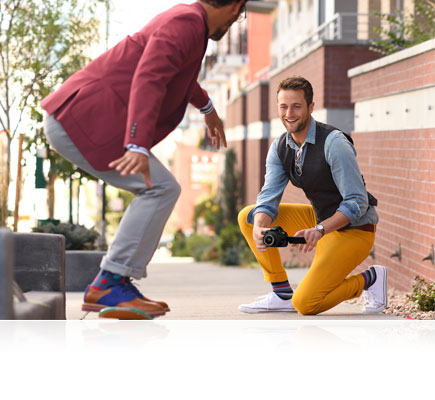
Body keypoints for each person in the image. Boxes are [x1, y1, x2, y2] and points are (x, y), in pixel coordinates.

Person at [41, 0, 253, 319]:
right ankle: (110, 282)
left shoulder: (189, 22)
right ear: (236, 7)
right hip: (84, 119)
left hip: (86, 117)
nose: (236, 21)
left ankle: (115, 282)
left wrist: (207, 107)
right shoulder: (186, 23)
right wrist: (137, 144)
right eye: (241, 15)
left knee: (162, 188)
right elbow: (150, 76)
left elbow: (176, 74)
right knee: (160, 189)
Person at [238, 76, 387, 315]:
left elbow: (357, 202)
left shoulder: (334, 143)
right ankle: (281, 293)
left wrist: (319, 230)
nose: (289, 113)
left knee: (306, 304)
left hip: (354, 229)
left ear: (310, 107)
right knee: (249, 215)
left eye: (296, 106)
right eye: (283, 106)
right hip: (320, 220)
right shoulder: (280, 147)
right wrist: (259, 227)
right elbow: (268, 196)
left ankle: (370, 279)